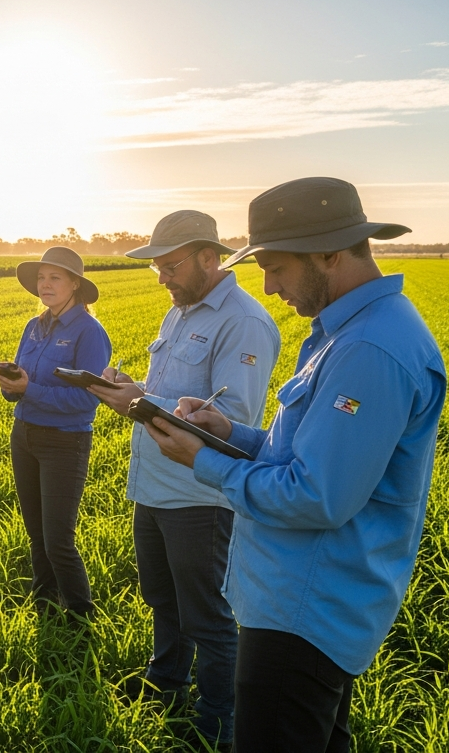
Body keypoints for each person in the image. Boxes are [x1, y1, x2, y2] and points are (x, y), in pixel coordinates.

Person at [140, 177, 445, 752]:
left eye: (276, 268)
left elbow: (315, 495)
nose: (269, 287)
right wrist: (232, 434)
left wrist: (205, 461)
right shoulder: (352, 331)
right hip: (303, 602)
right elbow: (309, 453)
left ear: (329, 254)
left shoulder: (368, 350)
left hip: (304, 613)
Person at [89, 211, 280, 747]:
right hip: (152, 484)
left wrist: (141, 403)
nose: (162, 277)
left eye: (170, 265)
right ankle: (167, 684)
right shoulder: (179, 312)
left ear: (208, 256)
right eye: (156, 268)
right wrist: (135, 388)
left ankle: (218, 721)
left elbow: (229, 419)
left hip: (199, 494)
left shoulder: (242, 322)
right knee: (161, 596)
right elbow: (175, 391)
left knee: (208, 615)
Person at [0, 247, 111, 622]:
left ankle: (82, 620)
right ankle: (44, 608)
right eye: (41, 278)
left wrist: (28, 389)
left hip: (65, 442)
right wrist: (10, 384)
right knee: (36, 535)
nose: (44, 285)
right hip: (25, 435)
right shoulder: (34, 326)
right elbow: (19, 384)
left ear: (75, 285)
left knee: (59, 541)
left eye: (55, 278)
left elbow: (86, 401)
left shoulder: (90, 333)